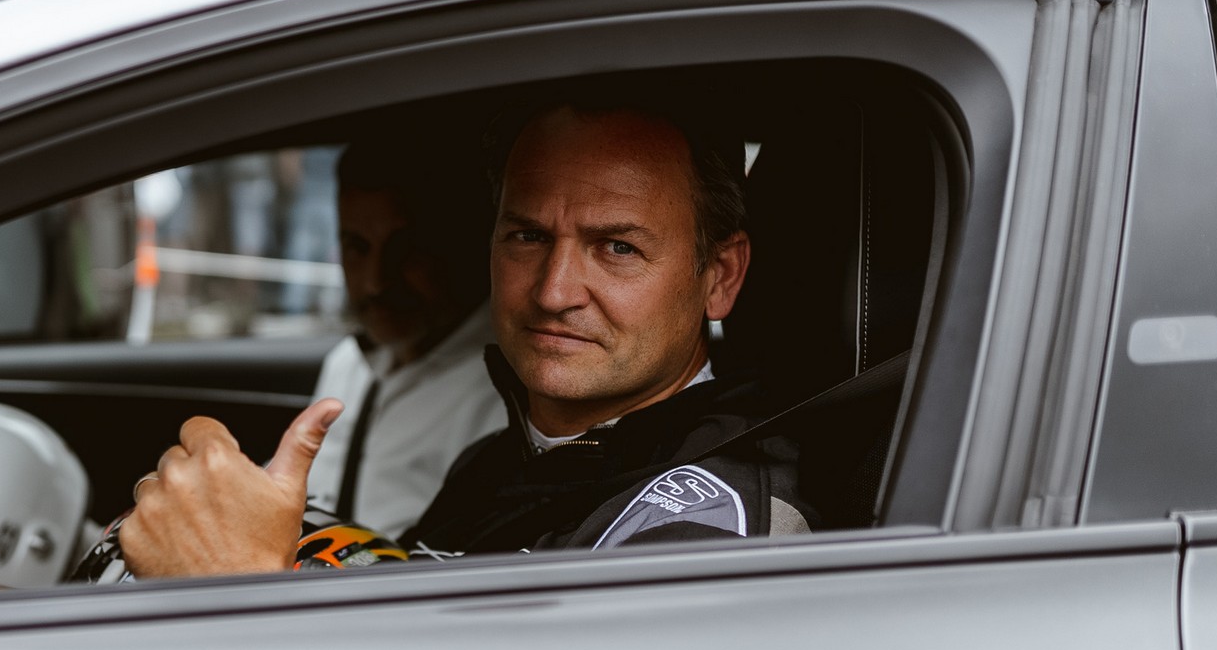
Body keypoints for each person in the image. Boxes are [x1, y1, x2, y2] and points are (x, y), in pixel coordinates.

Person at [117, 94, 812, 579]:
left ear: (720, 275)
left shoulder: (712, 527)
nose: (553, 290)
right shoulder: (508, 465)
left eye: (617, 248)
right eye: (527, 236)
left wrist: (240, 591)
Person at [304, 135, 504, 539]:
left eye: (407, 249)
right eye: (357, 246)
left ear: (463, 244)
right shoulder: (346, 363)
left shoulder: (503, 393)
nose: (377, 280)